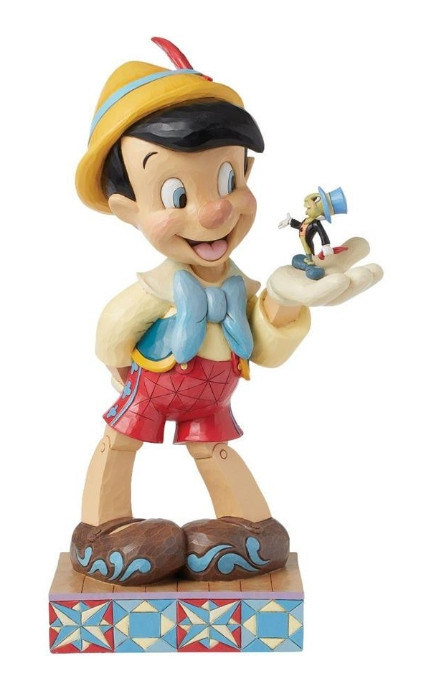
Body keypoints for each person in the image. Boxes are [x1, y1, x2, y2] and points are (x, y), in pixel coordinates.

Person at [71, 37, 382, 585]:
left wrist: (285, 298)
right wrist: (116, 364)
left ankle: (249, 528)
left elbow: (265, 349)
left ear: (247, 173)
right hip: (154, 380)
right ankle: (103, 530)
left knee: (213, 448)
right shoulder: (156, 288)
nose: (215, 211)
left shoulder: (241, 287)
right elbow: (112, 334)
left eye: (227, 181)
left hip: (211, 391)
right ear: (127, 209)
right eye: (176, 195)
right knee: (119, 442)